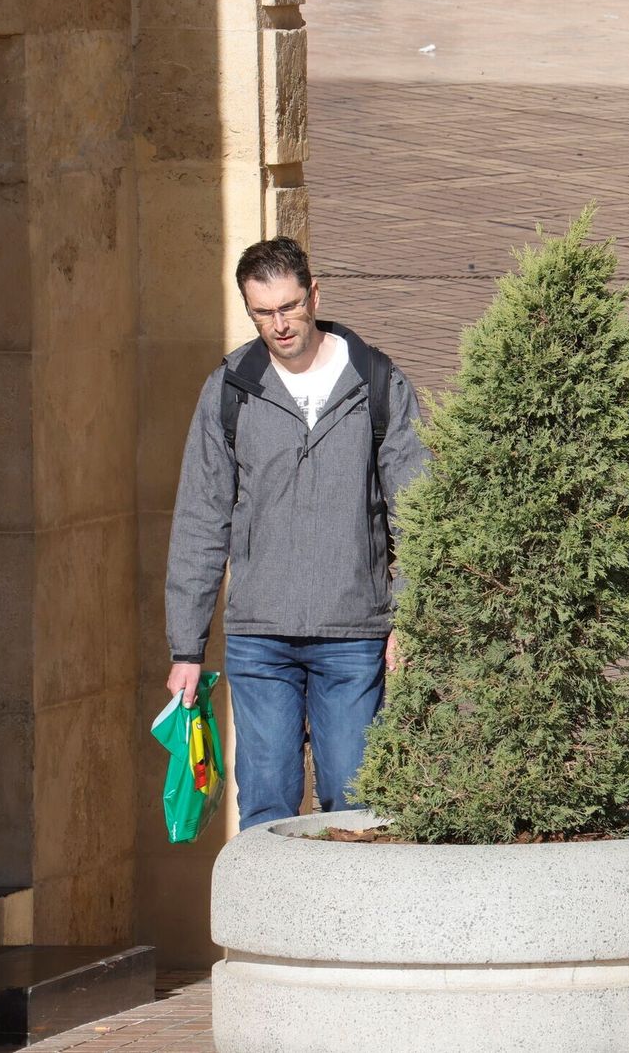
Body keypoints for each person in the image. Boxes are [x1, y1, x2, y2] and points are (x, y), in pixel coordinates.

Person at [164, 237, 428, 831]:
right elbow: (201, 518)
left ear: (314, 294)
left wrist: (407, 620)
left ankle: (351, 925)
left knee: (355, 809)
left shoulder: (376, 382)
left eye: (288, 306)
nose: (278, 325)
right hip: (260, 639)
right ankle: (266, 927)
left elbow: (419, 515)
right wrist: (186, 647)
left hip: (353, 635)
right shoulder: (231, 388)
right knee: (264, 809)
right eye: (262, 312)